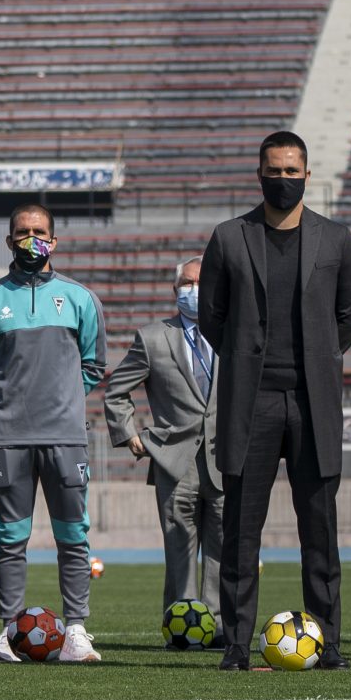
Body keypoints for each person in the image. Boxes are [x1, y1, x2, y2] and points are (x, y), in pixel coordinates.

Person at [200, 130, 351, 672]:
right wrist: (248, 359)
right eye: (275, 170)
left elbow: (350, 318)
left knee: (320, 532)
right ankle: (237, 646)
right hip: (252, 405)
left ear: (307, 175)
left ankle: (329, 642)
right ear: (259, 173)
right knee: (241, 535)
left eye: (293, 171)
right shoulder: (228, 238)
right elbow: (212, 317)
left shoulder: (336, 240)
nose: (284, 179)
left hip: (314, 404)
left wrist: (317, 359)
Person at [0, 204, 106, 664]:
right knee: (10, 538)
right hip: (8, 439)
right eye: (23, 233)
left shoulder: (81, 299)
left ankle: (77, 631)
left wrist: (62, 399)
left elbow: (94, 365)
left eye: (40, 232)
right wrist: (18, 405)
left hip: (66, 438)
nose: (32, 239)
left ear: (54, 239)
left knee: (73, 536)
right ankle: (8, 632)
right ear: (9, 241)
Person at [103, 254, 222, 631]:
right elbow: (116, 391)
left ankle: (219, 626)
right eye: (186, 284)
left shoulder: (237, 333)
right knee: (179, 552)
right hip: (174, 460)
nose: (193, 290)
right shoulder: (152, 337)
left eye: (201, 283)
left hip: (226, 458)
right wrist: (129, 433)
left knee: (224, 550)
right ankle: (182, 627)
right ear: (174, 292)